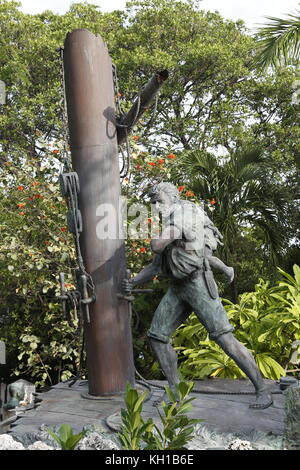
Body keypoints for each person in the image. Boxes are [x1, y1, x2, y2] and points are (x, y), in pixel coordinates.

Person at [122, 182, 273, 409]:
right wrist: (132, 282)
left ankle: (262, 390)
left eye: (159, 201)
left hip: (198, 284)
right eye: (152, 203)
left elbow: (157, 245)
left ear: (173, 199)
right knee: (157, 336)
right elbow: (155, 266)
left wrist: (158, 239)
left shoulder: (184, 214)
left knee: (225, 339)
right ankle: (175, 391)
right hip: (178, 288)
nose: (155, 207)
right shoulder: (170, 221)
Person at [203, 212, 234, 284]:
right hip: (202, 240)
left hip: (207, 239)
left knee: (206, 257)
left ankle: (228, 270)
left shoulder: (202, 217)